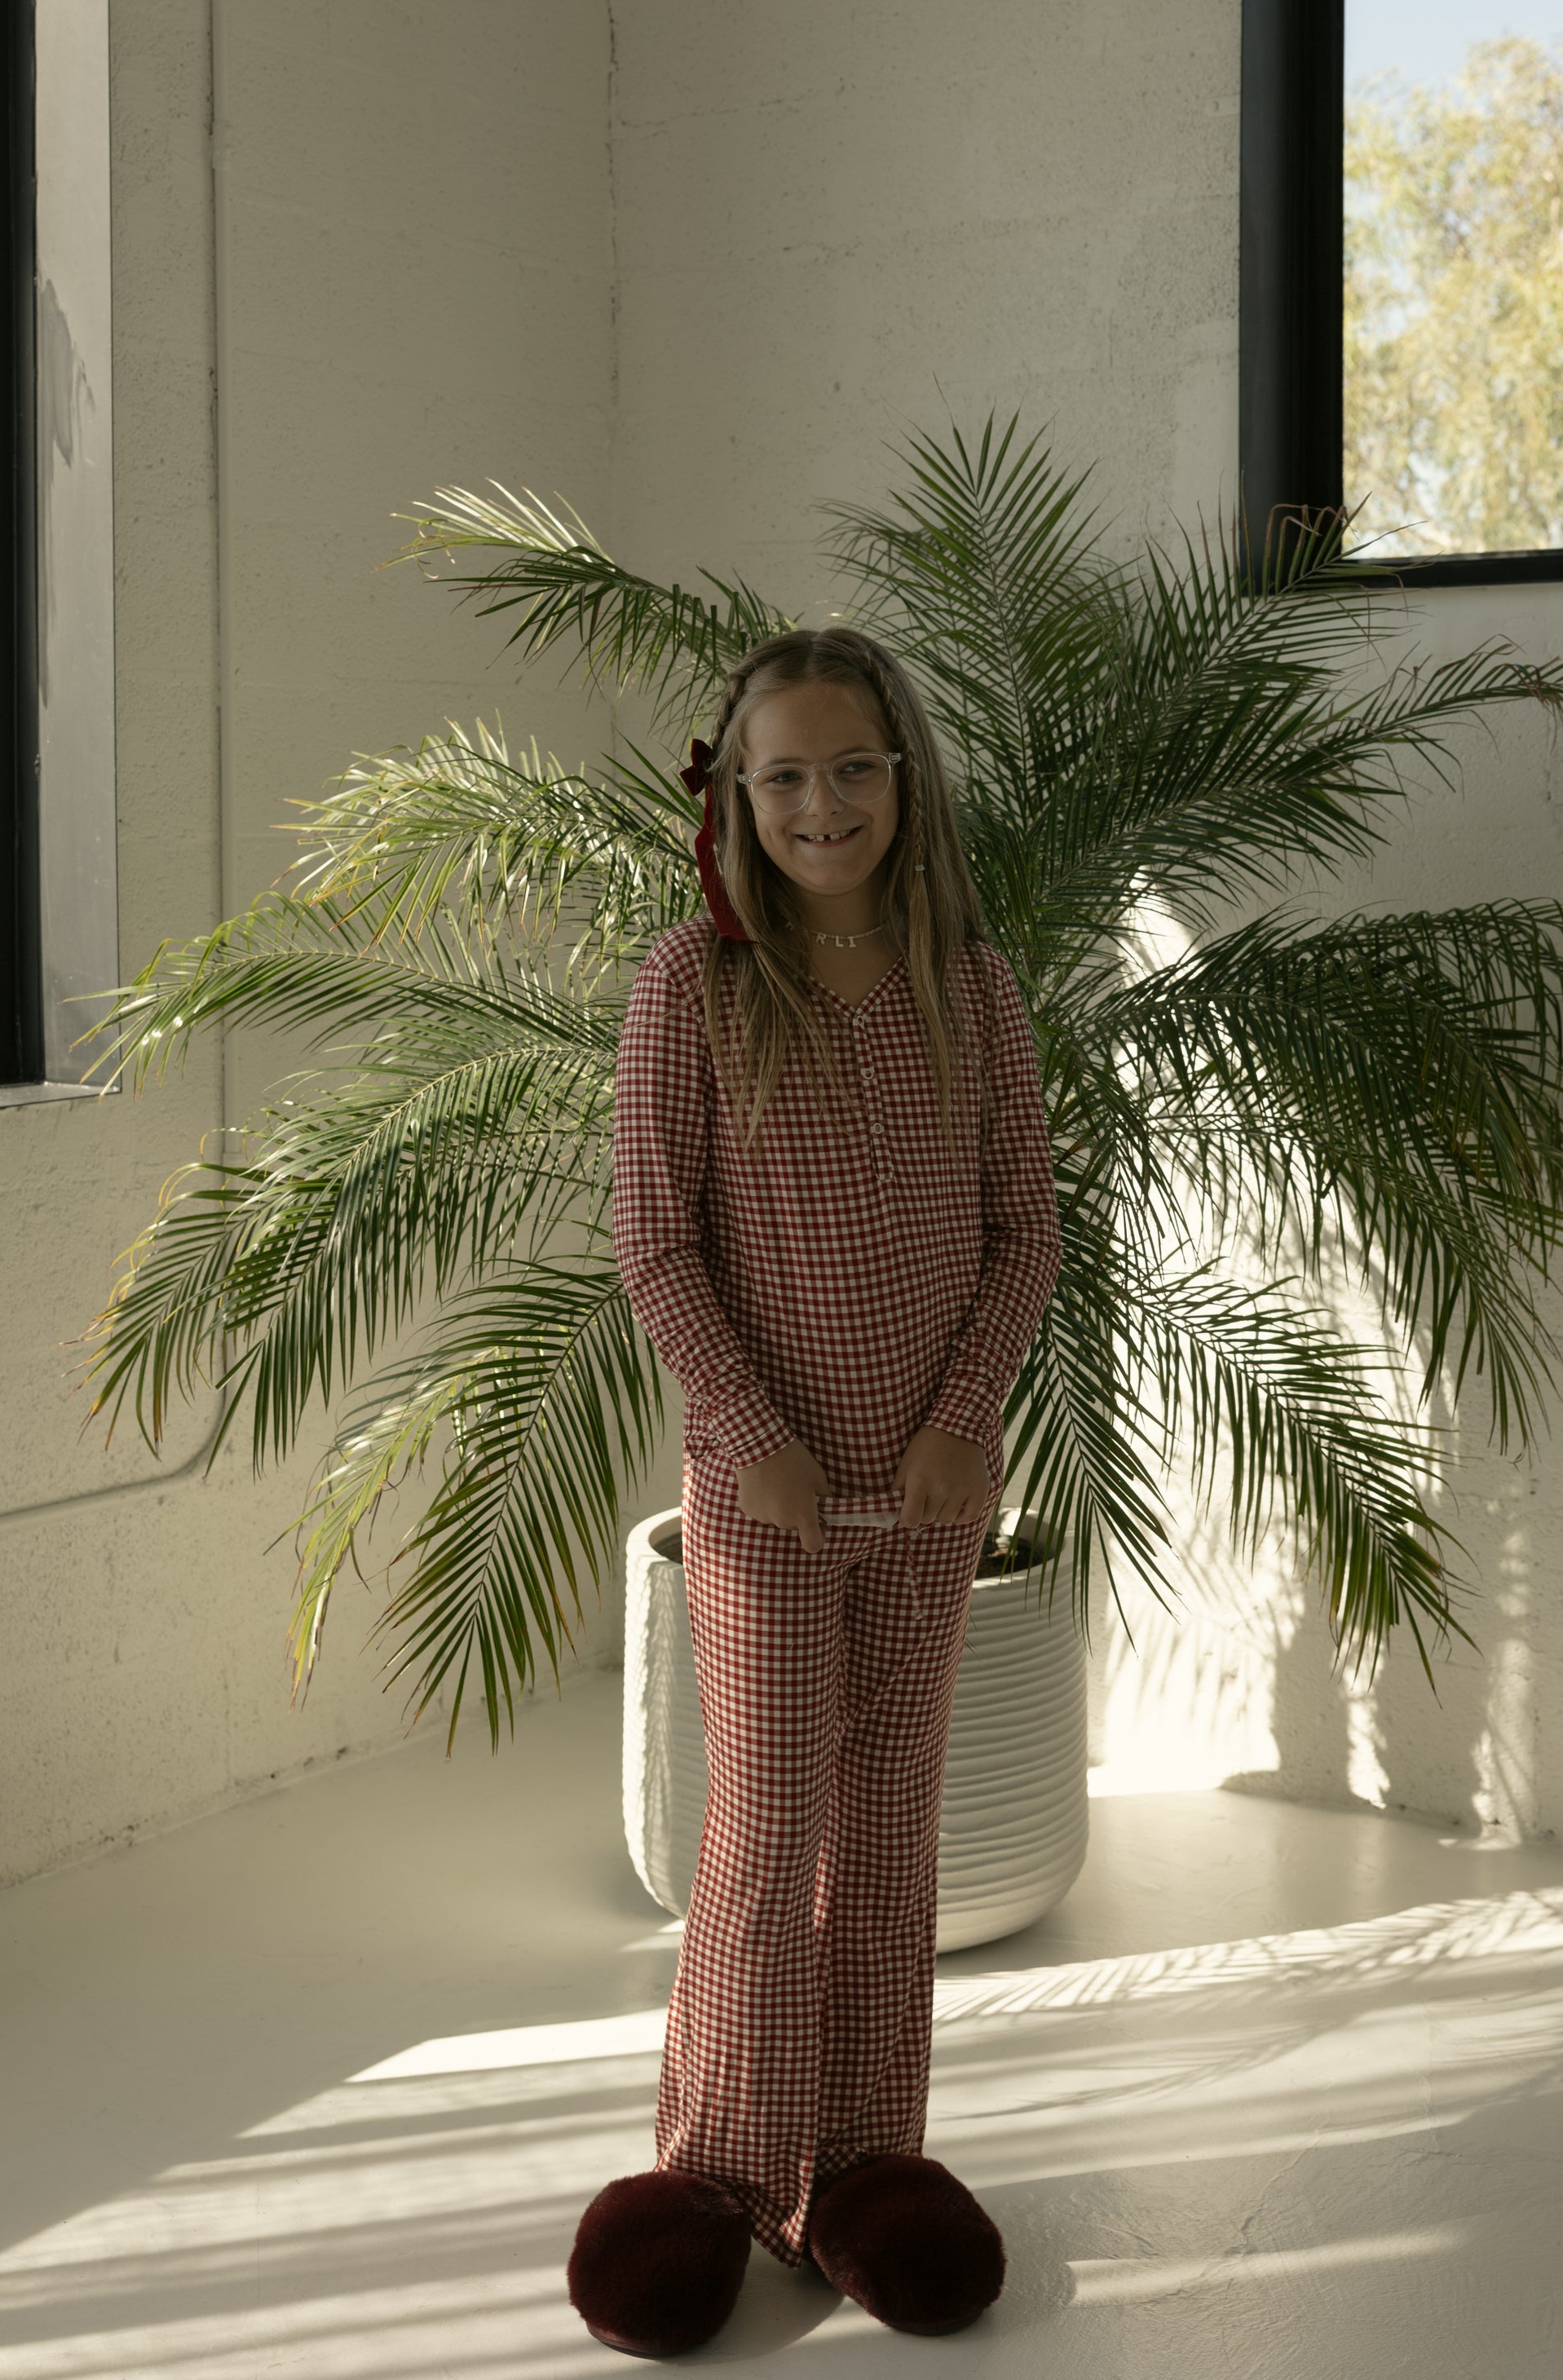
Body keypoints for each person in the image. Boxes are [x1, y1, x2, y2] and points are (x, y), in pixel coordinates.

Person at [567, 627, 1062, 2356]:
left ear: (903, 779)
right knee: (772, 1824)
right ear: (734, 795)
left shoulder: (972, 989)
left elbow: (1021, 1230)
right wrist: (747, 1430)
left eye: (852, 767)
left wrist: (958, 1419)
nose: (820, 802)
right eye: (783, 774)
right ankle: (709, 2171)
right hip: (760, 1487)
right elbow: (653, 1241)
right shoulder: (684, 992)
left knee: (888, 1831)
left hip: (923, 1487)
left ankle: (857, 2159)